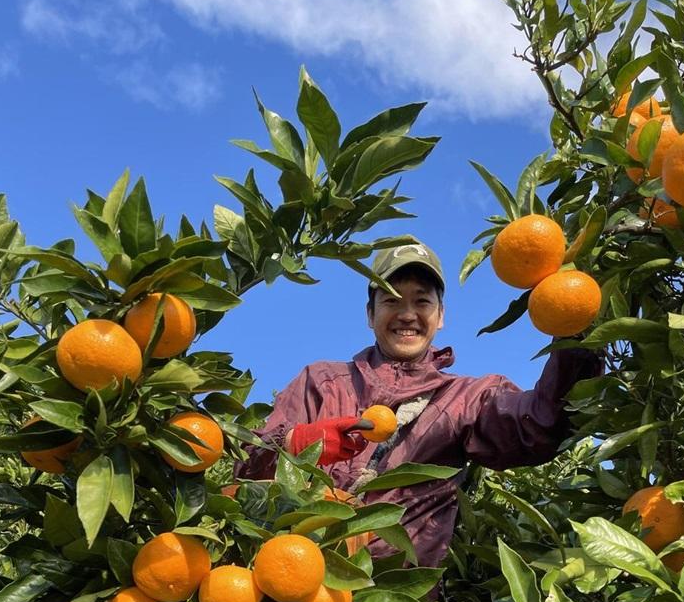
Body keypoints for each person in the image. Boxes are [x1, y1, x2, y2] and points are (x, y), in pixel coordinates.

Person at [236, 242, 601, 568]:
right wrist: (293, 443)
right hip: (296, 583)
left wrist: (574, 321)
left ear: (441, 316)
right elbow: (245, 471)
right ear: (370, 314)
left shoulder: (466, 400)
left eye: (421, 301)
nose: (407, 314)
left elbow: (539, 426)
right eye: (392, 300)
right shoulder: (321, 382)